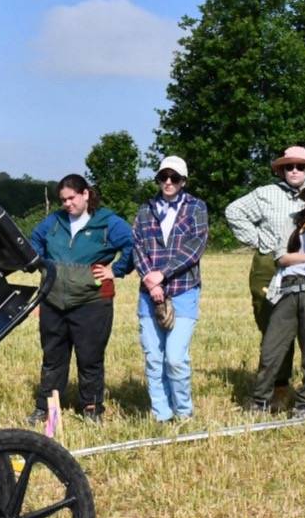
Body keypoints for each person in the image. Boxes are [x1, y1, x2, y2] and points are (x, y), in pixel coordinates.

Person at [225, 146, 305, 412]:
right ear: (281, 170)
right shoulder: (266, 194)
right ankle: (277, 389)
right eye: (289, 166)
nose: (295, 170)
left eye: (301, 166)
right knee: (272, 336)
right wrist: (262, 241)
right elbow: (234, 213)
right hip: (274, 272)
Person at [27, 174, 134, 422]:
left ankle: (91, 408)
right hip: (53, 300)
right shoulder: (54, 221)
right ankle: (47, 409)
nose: (67, 204)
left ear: (86, 194)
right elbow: (34, 240)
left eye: (71, 198)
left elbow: (132, 244)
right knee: (52, 358)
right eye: (63, 200)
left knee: (90, 358)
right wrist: (40, 262)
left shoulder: (108, 223)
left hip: (92, 302)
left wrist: (115, 270)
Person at [131, 156, 209, 423]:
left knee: (175, 358)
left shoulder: (197, 208)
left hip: (184, 289)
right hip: (148, 293)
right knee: (154, 359)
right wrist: (150, 281)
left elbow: (195, 248)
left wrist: (162, 275)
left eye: (174, 178)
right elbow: (137, 246)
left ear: (183, 181)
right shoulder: (145, 210)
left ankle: (184, 413)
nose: (168, 182)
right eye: (163, 177)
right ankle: (161, 415)